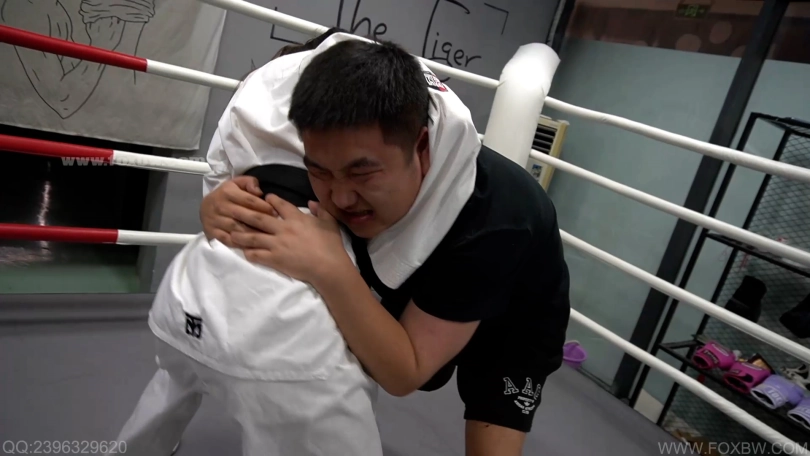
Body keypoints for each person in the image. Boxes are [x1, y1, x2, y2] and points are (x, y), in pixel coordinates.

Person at [200, 35, 571, 455]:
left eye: (362, 174)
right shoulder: (330, 145)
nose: (340, 198)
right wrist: (218, 214)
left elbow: (404, 372)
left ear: (422, 149)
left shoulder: (496, 222)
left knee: (489, 435)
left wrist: (331, 268)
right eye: (320, 171)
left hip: (512, 307)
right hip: (433, 250)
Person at [110, 29, 387, 456]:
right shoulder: (373, 140)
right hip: (281, 330)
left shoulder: (253, 99)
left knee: (173, 378)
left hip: (190, 293)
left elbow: (217, 179)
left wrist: (216, 206)